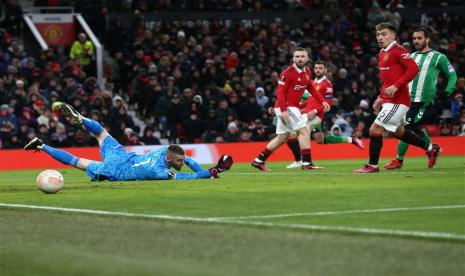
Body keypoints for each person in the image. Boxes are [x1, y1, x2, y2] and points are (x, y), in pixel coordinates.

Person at [24, 102, 233, 181]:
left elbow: (187, 162)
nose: (182, 164)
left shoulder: (164, 151)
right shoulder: (160, 173)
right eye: (179, 162)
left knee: (102, 133)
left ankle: (80, 120)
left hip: (122, 155)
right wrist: (214, 172)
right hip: (116, 170)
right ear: (169, 158)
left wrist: (206, 169)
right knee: (76, 161)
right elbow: (192, 177)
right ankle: (42, 145)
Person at [353, 22, 440, 173]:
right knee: (397, 132)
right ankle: (431, 148)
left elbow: (414, 68)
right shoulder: (382, 53)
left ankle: (373, 165)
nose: (380, 37)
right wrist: (380, 97)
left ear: (393, 35)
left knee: (375, 129)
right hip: (388, 101)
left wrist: (397, 85)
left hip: (398, 101)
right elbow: (386, 80)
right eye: (378, 35)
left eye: (384, 34)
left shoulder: (398, 50)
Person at [384, 26, 457, 170]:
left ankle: (401, 159)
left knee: (407, 127)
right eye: (414, 38)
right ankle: (430, 148)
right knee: (402, 129)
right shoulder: (410, 57)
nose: (416, 41)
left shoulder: (438, 57)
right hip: (407, 100)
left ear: (427, 39)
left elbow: (452, 75)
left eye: (419, 38)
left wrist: (447, 92)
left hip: (423, 101)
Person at [251, 48, 330, 171]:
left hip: (291, 108)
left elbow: (311, 88)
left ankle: (258, 160)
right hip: (287, 107)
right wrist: (283, 110)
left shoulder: (307, 71)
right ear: (293, 58)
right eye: (297, 56)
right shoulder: (287, 72)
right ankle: (307, 163)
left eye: (302, 56)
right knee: (304, 131)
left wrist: (323, 101)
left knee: (282, 137)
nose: (300, 59)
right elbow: (280, 92)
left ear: (307, 58)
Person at [285, 61, 364, 169]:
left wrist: (315, 112)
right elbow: (309, 101)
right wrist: (297, 107)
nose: (318, 70)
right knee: (320, 140)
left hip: (315, 117)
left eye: (320, 68)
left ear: (325, 70)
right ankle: (352, 139)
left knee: (300, 133)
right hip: (307, 115)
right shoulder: (312, 83)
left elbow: (329, 103)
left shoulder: (327, 84)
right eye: (316, 68)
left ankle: (305, 162)